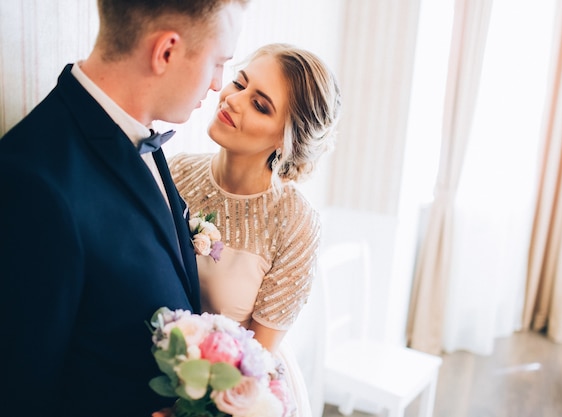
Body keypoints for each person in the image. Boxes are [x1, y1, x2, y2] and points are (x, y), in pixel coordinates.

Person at [0, 1, 248, 416]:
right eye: (217, 63)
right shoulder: (33, 183)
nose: (217, 84)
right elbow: (20, 394)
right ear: (165, 52)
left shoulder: (137, 131)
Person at [168, 43, 341, 416]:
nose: (233, 100)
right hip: (162, 363)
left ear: (286, 138)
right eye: (239, 83)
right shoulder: (177, 172)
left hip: (239, 389)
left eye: (260, 105)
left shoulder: (295, 221)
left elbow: (259, 354)